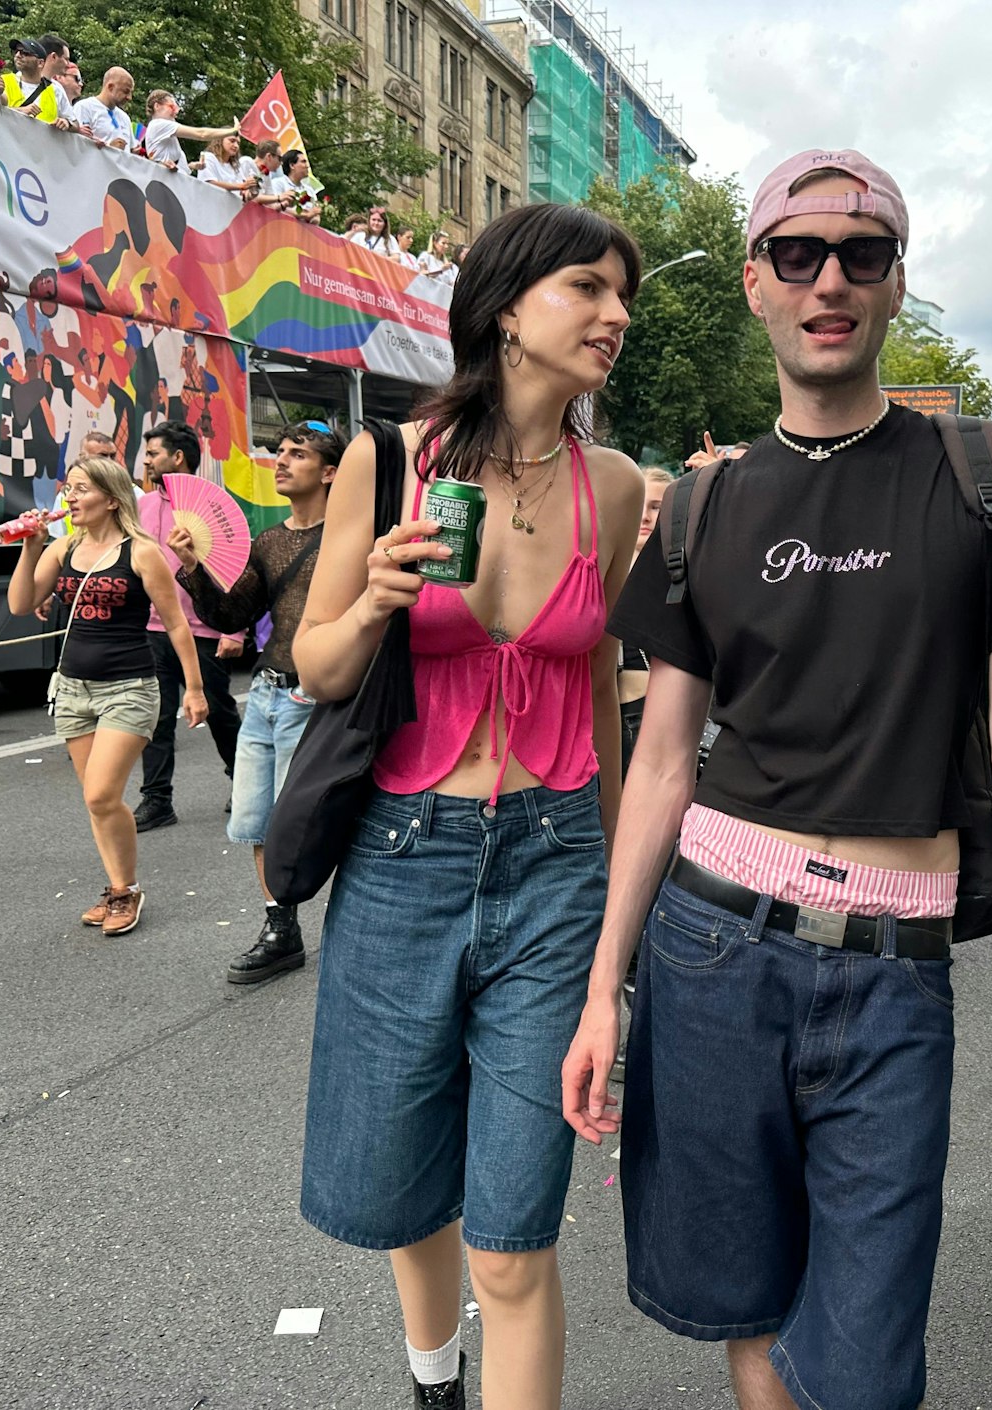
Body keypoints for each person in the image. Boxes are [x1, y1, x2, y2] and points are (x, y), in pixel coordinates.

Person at [561, 148, 992, 1410]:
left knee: (865, 1367)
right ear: (754, 284)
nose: (828, 280)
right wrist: (602, 988)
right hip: (710, 953)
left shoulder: (989, 477)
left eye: (861, 255)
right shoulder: (702, 510)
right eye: (796, 254)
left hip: (894, 974)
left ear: (896, 282)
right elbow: (662, 760)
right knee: (752, 1311)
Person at [293, 201, 645, 1410]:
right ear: (504, 309)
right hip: (404, 854)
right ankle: (433, 1375)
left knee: (513, 1233)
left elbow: (600, 684)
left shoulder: (611, 486)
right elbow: (318, 667)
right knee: (402, 1180)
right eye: (587, 288)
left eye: (622, 295)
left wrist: (615, 889)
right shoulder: (392, 462)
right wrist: (374, 599)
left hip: (556, 856)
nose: (614, 315)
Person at [169, 420, 342, 983]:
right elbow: (231, 616)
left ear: (330, 472)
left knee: (312, 821)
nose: (282, 461)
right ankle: (280, 928)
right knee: (256, 820)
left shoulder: (349, 539)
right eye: (280, 452)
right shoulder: (268, 541)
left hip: (315, 698)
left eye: (298, 454)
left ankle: (357, 924)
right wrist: (193, 567)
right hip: (266, 695)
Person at [6, 457, 209, 936]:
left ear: (112, 499)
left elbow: (176, 623)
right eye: (69, 489)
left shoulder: (141, 552)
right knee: (97, 800)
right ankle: (120, 888)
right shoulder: (64, 547)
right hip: (72, 688)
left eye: (82, 489)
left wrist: (195, 689)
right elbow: (19, 604)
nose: (70, 498)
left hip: (129, 688)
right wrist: (31, 548)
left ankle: (127, 890)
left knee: (101, 793)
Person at [130, 422, 243, 832]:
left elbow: (236, 571)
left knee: (219, 712)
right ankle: (157, 799)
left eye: (153, 454)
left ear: (177, 457)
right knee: (156, 717)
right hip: (153, 629)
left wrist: (234, 631)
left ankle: (244, 782)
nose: (146, 462)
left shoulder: (214, 507)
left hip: (204, 631)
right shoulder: (141, 507)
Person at [618, 466, 675, 769]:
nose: (644, 517)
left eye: (656, 507)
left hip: (653, 709)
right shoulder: (604, 564)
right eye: (639, 505)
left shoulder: (680, 570)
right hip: (602, 708)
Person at [139, 91, 236, 171]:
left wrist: (191, 166)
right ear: (157, 106)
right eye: (172, 107)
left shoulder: (163, 130)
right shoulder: (159, 124)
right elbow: (201, 134)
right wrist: (232, 131)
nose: (176, 112)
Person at [0, 38, 72, 129]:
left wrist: (66, 123)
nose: (18, 55)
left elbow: (75, 124)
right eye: (16, 52)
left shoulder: (56, 90)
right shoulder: (2, 81)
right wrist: (19, 111)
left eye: (25, 53)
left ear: (40, 63)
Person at [72, 67, 135, 150]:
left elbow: (131, 150)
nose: (129, 97)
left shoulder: (125, 118)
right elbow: (77, 145)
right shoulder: (84, 107)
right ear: (110, 87)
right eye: (126, 91)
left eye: (131, 92)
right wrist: (110, 149)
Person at [269, 149, 321, 223]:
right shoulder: (278, 183)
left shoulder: (310, 191)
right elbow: (274, 207)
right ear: (292, 165)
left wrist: (314, 217)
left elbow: (316, 217)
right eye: (303, 162)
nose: (307, 166)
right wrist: (305, 215)